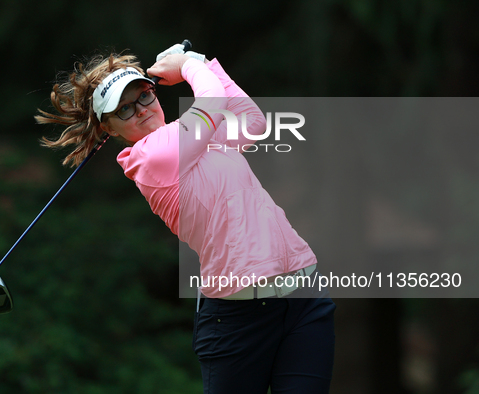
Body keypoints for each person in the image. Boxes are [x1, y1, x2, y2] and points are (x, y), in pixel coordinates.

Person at [36, 44, 336, 394]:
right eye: (124, 110)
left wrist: (205, 64)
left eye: (143, 97)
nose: (141, 111)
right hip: (238, 319)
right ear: (111, 129)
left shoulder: (196, 136)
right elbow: (211, 104)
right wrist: (190, 65)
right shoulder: (150, 158)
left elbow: (251, 123)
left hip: (303, 297)